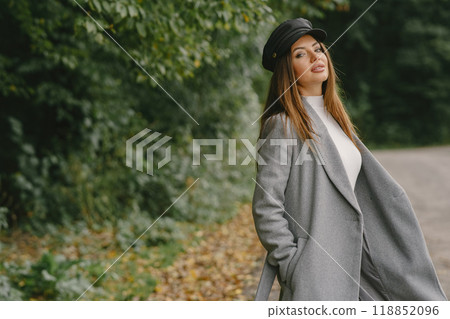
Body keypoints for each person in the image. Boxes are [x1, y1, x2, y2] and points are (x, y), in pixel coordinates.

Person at [251, 17, 448, 301]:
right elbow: (266, 205)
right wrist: (293, 263)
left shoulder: (336, 120)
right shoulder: (283, 124)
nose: (315, 57)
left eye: (317, 49)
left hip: (363, 263)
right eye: (300, 54)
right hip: (319, 271)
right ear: (287, 69)